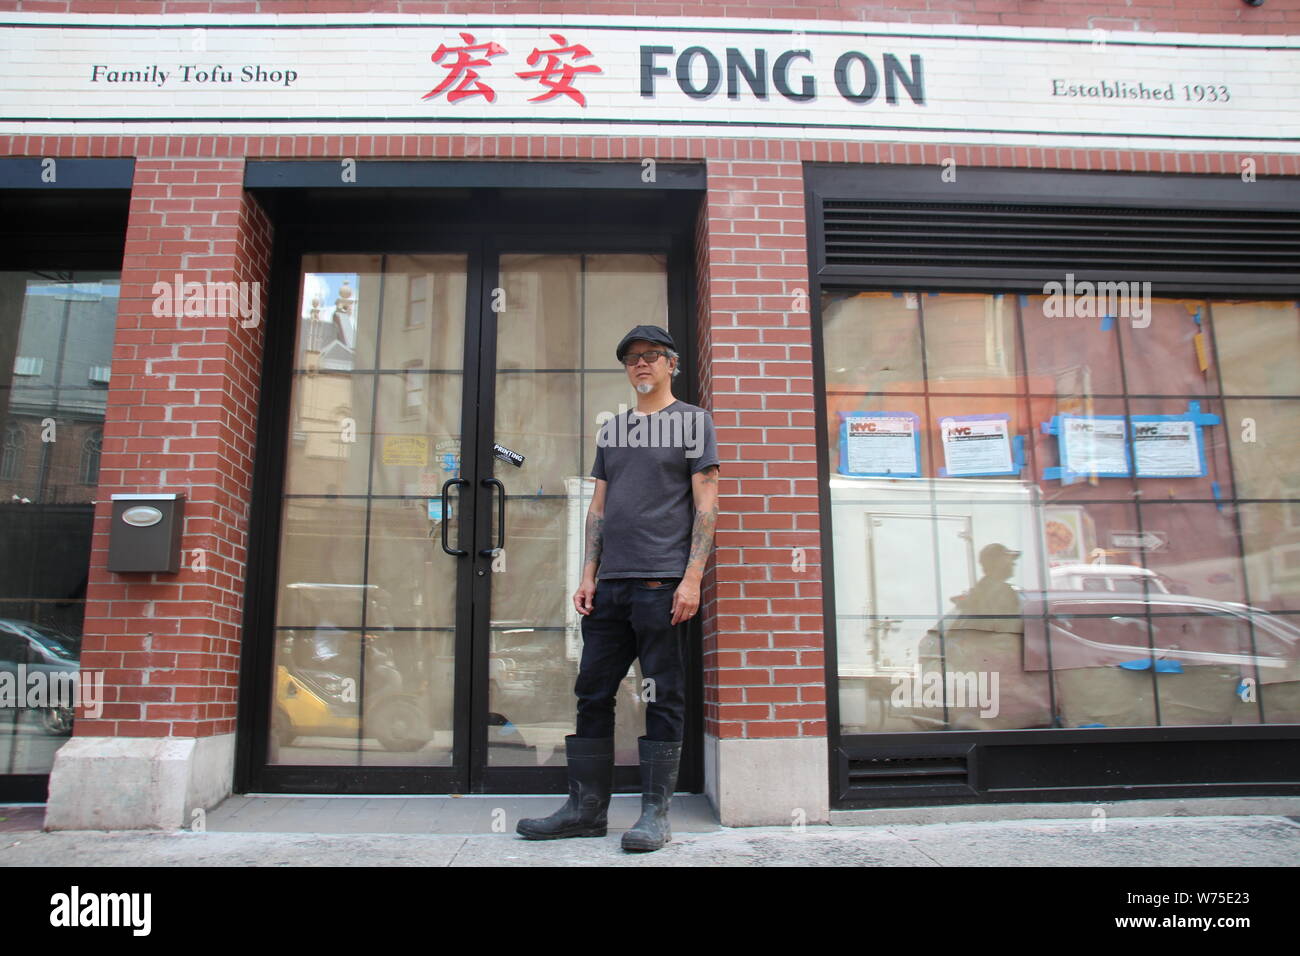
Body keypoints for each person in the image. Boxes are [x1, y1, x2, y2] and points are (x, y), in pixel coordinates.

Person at [516, 324, 720, 852]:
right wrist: (588, 574)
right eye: (632, 358)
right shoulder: (614, 431)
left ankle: (655, 815)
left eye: (652, 355)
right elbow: (598, 508)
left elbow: (707, 505)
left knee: (661, 696)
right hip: (610, 588)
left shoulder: (693, 423)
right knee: (592, 693)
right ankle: (585, 810)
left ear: (672, 363)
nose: (641, 364)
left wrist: (692, 578)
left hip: (662, 585)